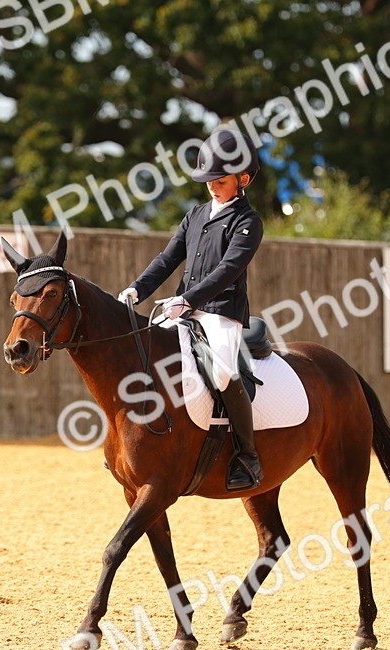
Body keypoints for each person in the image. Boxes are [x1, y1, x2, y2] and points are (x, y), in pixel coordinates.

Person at [118, 128, 265, 491]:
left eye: (221, 179)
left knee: (221, 374)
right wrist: (138, 288)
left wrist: (189, 300)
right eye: (208, 179)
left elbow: (228, 270)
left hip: (220, 313)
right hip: (183, 308)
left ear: (242, 179)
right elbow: (168, 258)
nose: (213, 185)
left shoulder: (248, 222)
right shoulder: (196, 215)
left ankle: (248, 454)